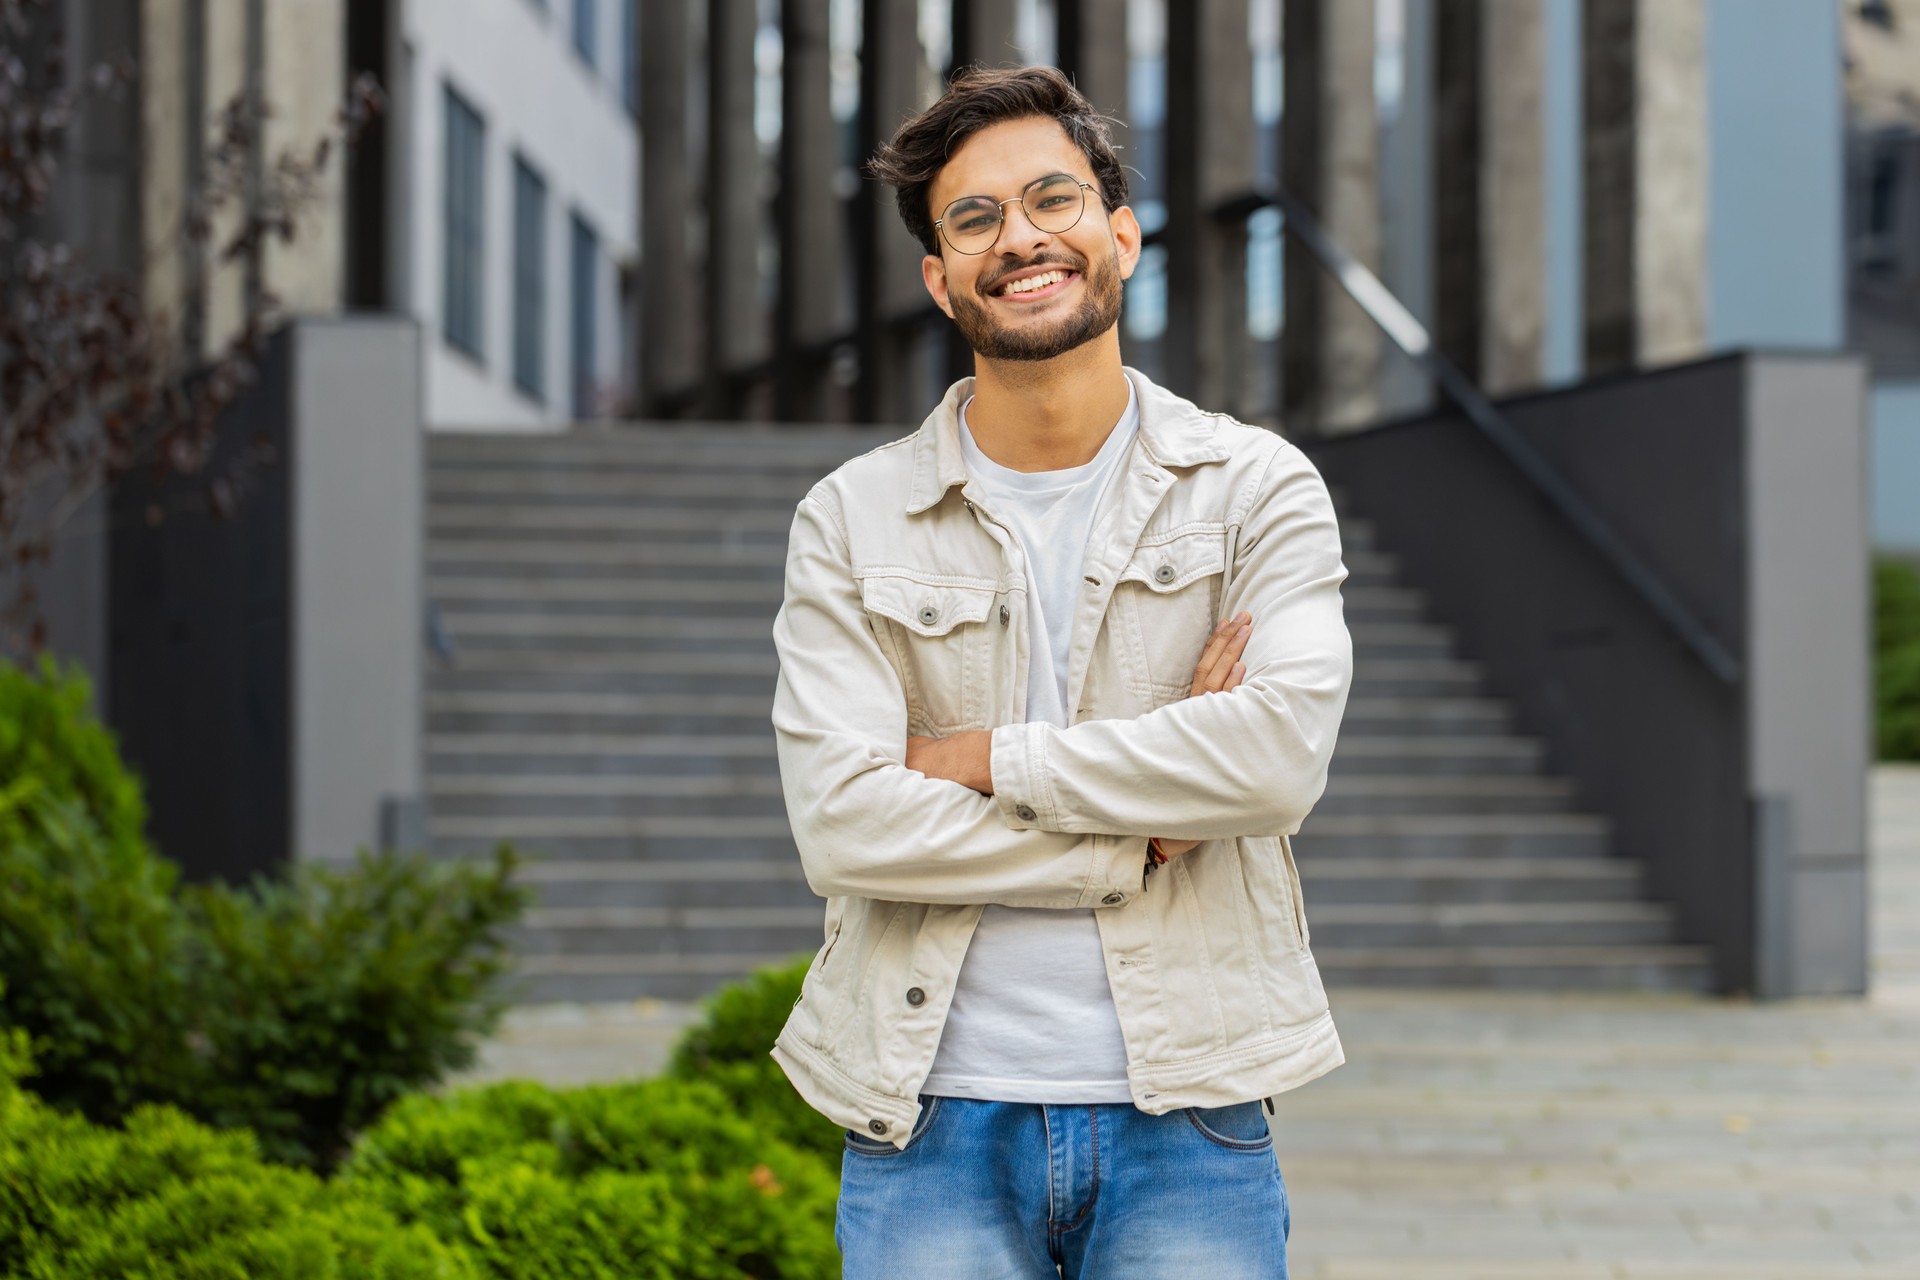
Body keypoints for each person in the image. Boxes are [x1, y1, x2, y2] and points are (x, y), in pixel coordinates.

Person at [766, 63, 1353, 1279]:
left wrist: (985, 759)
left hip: (1188, 1112)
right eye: (973, 219)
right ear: (939, 277)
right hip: (930, 1110)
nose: (1019, 237)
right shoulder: (852, 516)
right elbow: (844, 822)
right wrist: (1133, 835)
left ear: (1121, 234)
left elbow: (1276, 759)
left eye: (1053, 199)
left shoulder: (1256, 489)